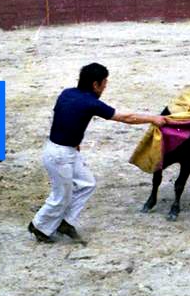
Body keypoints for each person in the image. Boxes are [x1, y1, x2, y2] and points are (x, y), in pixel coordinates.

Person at [29, 63, 167, 243]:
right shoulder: (91, 103)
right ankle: (38, 225)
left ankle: (65, 222)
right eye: (104, 84)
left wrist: (74, 141)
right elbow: (127, 118)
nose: (104, 88)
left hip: (64, 149)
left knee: (87, 183)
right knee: (61, 195)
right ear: (96, 84)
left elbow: (63, 116)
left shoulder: (67, 93)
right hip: (60, 155)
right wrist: (153, 118)